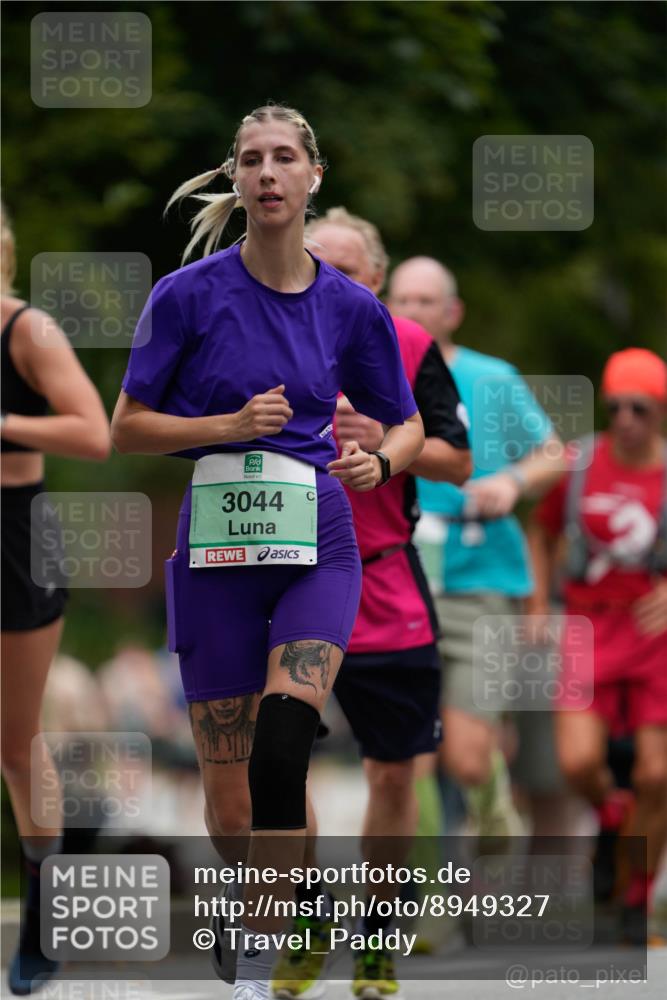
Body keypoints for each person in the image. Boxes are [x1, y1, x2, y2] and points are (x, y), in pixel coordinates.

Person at [110, 105, 424, 1000]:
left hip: (315, 544)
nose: (268, 173)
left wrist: (376, 460)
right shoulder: (188, 296)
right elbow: (126, 427)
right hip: (214, 553)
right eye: (252, 160)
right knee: (232, 800)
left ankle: (256, 970)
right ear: (237, 179)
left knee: (285, 745)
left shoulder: (350, 307)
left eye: (285, 157)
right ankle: (275, 897)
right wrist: (227, 425)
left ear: (312, 176)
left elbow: (401, 421)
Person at [268, 207, 468, 999]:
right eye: (322, 267)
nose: (335, 284)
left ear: (376, 281)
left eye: (350, 273)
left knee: (393, 775)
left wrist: (388, 438)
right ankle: (311, 915)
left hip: (382, 581)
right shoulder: (269, 336)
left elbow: (456, 460)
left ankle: (379, 934)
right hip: (288, 576)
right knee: (281, 765)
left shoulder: (408, 345)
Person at [386, 256, 564, 849]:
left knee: (463, 755)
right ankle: (424, 901)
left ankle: (490, 804)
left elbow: (552, 453)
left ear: (452, 311)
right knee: (408, 751)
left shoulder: (492, 379)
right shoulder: (374, 376)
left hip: (483, 575)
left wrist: (510, 483)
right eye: (401, 300)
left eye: (425, 301)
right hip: (401, 575)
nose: (411, 311)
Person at [0, 200, 111, 994]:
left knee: (15, 741)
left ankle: (43, 915)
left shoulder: (27, 330)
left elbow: (94, 431)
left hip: (14, 535)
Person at [527, 348, 667, 943]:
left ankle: (636, 895)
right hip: (587, 626)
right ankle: (613, 819)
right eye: (616, 406)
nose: (627, 418)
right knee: (578, 761)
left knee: (657, 776)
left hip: (654, 633)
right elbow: (541, 529)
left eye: (640, 407)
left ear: (660, 409)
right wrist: (538, 604)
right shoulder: (581, 463)